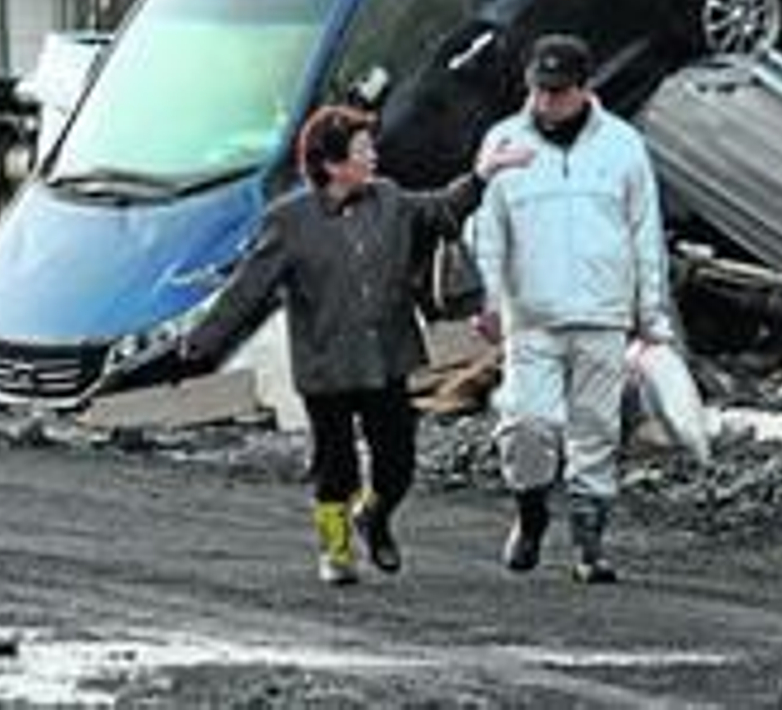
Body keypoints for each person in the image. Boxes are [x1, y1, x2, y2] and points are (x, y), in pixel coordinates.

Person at [180, 105, 531, 585]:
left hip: (387, 358)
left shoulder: (389, 199)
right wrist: (202, 342)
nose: (373, 157)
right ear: (331, 163)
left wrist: (482, 175)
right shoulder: (289, 221)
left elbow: (442, 208)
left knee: (398, 464)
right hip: (326, 366)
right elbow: (248, 288)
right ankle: (336, 548)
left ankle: (374, 514)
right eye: (362, 150)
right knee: (335, 465)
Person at [469, 33, 674, 584]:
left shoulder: (623, 147)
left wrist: (651, 315)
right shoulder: (504, 142)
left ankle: (589, 542)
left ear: (585, 88)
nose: (545, 102)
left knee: (595, 430)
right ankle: (531, 511)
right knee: (527, 424)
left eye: (557, 92)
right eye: (538, 89)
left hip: (603, 312)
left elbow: (645, 233)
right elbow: (488, 231)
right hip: (531, 316)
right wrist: (488, 299)